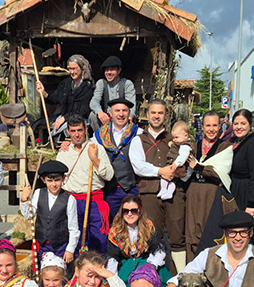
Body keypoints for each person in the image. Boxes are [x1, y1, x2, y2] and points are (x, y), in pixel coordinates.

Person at [198, 108, 254, 254]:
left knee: (251, 234)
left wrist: (251, 204)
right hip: (235, 190)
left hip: (250, 192)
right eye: (236, 123)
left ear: (250, 124)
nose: (239, 127)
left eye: (243, 123)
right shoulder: (231, 142)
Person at [131, 99, 190, 271]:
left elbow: (187, 160)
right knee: (152, 235)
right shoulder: (138, 140)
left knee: (177, 235)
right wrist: (160, 171)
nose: (157, 116)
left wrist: (183, 172)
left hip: (175, 193)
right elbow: (138, 166)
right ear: (147, 115)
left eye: (161, 113)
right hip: (149, 193)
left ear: (166, 115)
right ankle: (154, 275)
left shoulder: (175, 139)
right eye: (154, 113)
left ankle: (180, 275)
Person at [56, 114, 114, 254]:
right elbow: (58, 179)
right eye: (73, 131)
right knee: (75, 238)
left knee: (99, 239)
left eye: (80, 130)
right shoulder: (64, 152)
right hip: (72, 201)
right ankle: (77, 271)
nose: (77, 134)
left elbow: (109, 175)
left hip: (94, 200)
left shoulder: (96, 148)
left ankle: (100, 270)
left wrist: (94, 158)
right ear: (68, 132)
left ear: (86, 130)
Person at [185, 111, 232, 261]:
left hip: (212, 194)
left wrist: (197, 167)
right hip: (193, 193)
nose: (211, 129)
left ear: (220, 127)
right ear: (202, 127)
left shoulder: (224, 147)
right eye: (208, 125)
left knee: (210, 233)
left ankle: (212, 270)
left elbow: (220, 172)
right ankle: (192, 273)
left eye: (214, 125)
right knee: (192, 233)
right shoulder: (194, 146)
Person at [20, 160, 79, 264]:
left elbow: (73, 228)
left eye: (57, 180)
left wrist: (70, 249)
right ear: (43, 180)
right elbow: (29, 215)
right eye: (50, 181)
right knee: (43, 275)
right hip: (41, 245)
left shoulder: (70, 199)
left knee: (59, 275)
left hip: (60, 246)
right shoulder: (38, 193)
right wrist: (24, 200)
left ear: (63, 179)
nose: (54, 184)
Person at [94, 97, 143, 218]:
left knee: (135, 226)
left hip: (133, 189)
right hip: (110, 190)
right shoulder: (99, 136)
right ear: (110, 113)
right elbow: (85, 148)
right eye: (117, 111)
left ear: (129, 113)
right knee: (112, 227)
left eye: (124, 111)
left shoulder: (139, 133)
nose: (121, 114)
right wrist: (68, 144)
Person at [106, 195, 170, 284]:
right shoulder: (115, 232)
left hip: (146, 261)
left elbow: (158, 249)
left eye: (133, 211)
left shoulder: (148, 227)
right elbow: (113, 257)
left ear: (139, 212)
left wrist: (151, 266)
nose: (129, 214)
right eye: (126, 211)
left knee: (161, 276)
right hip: (126, 265)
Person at [35, 54, 94, 139]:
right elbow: (54, 99)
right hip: (63, 116)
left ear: (82, 69)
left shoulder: (87, 86)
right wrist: (43, 92)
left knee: (65, 128)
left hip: (80, 118)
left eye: (75, 69)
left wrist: (65, 118)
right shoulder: (65, 83)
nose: (72, 72)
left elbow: (83, 110)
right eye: (70, 68)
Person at [89, 55, 136, 131]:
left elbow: (131, 105)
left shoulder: (127, 83)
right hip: (106, 118)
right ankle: (100, 138)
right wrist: (100, 112)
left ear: (119, 70)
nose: (109, 72)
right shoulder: (101, 83)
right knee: (92, 115)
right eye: (106, 70)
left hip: (121, 116)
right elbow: (94, 101)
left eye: (112, 70)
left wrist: (129, 118)